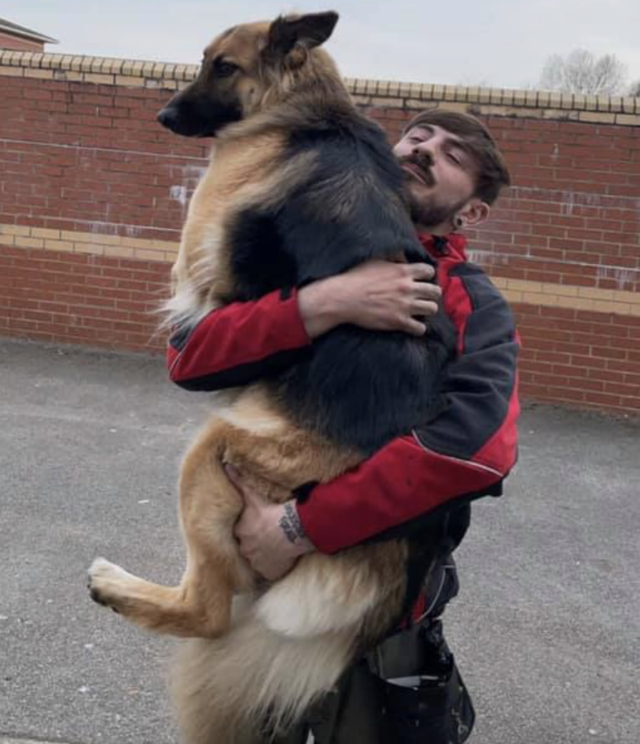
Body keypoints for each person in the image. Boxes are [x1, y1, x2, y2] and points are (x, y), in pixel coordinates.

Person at [166, 108, 519, 743]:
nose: (423, 151)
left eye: (453, 156)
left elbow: (474, 450)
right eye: (416, 136)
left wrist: (301, 528)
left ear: (472, 212)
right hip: (249, 574)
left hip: (367, 608)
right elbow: (189, 355)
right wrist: (322, 304)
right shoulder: (309, 247)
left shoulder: (472, 301)